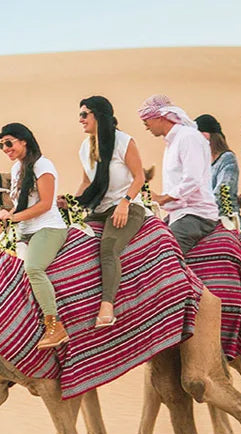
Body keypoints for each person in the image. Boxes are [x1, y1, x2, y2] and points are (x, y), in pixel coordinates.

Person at [70, 95, 147, 327]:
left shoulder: (124, 142)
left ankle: (107, 306)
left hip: (127, 207)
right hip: (99, 208)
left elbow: (139, 177)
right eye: (80, 115)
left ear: (98, 116)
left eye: (85, 114)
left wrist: (124, 203)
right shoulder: (85, 148)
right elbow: (86, 182)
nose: (80, 119)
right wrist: (73, 205)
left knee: (108, 247)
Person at [0, 122, 69, 349]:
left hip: (48, 228)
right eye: (1, 145)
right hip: (25, 231)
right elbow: (20, 206)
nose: (6, 148)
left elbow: (46, 204)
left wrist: (14, 218)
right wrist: (3, 215)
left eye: (9, 143)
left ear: (23, 140)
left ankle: (55, 327)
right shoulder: (18, 169)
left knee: (33, 268)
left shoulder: (43, 166)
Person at [137, 94, 218, 254]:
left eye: (147, 119)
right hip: (179, 214)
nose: (145, 125)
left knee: (164, 255)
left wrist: (162, 198)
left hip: (196, 214)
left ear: (161, 117)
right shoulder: (172, 142)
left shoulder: (188, 138)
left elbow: (192, 180)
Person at [194, 113, 240, 214]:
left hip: (224, 218)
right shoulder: (202, 161)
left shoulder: (227, 159)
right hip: (203, 216)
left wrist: (197, 208)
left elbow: (222, 191)